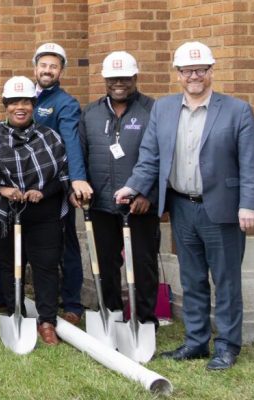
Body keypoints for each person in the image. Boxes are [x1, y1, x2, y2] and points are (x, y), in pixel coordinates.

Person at [115, 42, 254, 371]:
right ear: (178, 74)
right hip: (182, 207)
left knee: (225, 280)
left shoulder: (237, 110)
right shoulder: (164, 109)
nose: (194, 76)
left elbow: (250, 163)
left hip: (223, 209)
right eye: (187, 71)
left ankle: (226, 346)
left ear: (211, 71)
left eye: (200, 70)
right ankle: (196, 342)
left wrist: (248, 205)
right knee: (192, 278)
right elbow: (150, 155)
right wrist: (134, 185)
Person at [0, 76, 70, 345]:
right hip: (2, 212)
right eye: (13, 102)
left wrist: (42, 191)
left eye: (26, 102)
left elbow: (63, 175)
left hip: (41, 212)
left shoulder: (49, 137)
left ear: (34, 104)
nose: (20, 107)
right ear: (5, 105)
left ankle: (47, 321)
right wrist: (1, 187)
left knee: (46, 266)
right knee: (9, 263)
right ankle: (15, 312)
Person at [80, 51, 159, 326]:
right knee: (104, 265)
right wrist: (78, 187)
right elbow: (81, 155)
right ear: (105, 80)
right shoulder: (90, 113)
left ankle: (144, 319)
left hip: (139, 206)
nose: (119, 83)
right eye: (113, 78)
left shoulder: (153, 110)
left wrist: (148, 194)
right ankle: (110, 317)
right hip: (101, 204)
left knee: (142, 265)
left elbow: (163, 158)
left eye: (125, 77)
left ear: (135, 77)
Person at [32, 43, 89, 323]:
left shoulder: (65, 104)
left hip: (56, 188)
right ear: (35, 68)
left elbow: (72, 143)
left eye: (53, 66)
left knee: (66, 245)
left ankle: (72, 305)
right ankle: (12, 296)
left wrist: (77, 180)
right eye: (44, 65)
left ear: (61, 71)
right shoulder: (24, 96)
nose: (47, 70)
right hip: (27, 187)